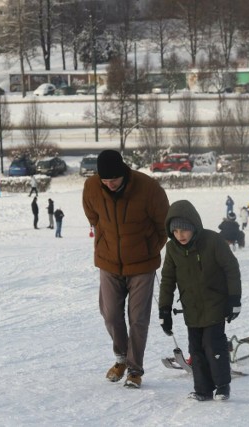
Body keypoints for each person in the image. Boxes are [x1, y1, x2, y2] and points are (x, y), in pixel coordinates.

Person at [82, 149, 170, 389]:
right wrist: (104, 242)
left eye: (114, 180)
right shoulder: (91, 187)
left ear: (124, 173)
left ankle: (134, 368)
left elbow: (164, 225)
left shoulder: (149, 189)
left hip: (142, 264)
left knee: (138, 319)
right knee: (110, 314)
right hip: (109, 262)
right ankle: (121, 357)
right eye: (105, 180)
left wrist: (148, 249)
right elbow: (93, 216)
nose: (109, 184)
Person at [159, 200, 242, 401]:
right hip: (191, 307)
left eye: (185, 231)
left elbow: (231, 268)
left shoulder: (213, 241)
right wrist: (164, 309)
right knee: (195, 350)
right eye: (176, 231)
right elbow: (168, 280)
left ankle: (222, 386)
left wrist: (234, 299)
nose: (181, 235)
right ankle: (203, 389)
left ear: (194, 226)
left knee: (213, 346)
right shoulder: (172, 249)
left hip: (215, 302)